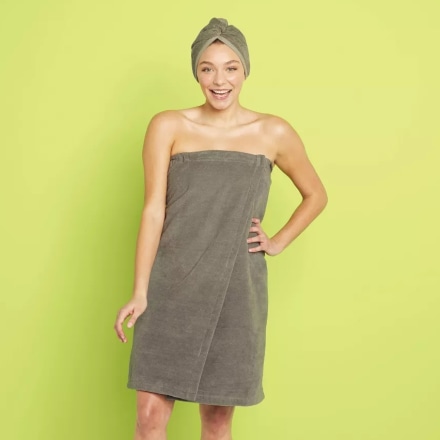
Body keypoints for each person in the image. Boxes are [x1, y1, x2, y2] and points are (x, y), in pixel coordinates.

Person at [114, 17, 328, 440]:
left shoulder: (273, 131)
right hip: (171, 286)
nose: (219, 80)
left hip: (235, 292)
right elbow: (153, 209)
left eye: (231, 67)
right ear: (196, 72)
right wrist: (140, 291)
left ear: (245, 70)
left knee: (216, 422)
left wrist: (277, 241)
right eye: (207, 68)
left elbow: (316, 194)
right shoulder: (168, 126)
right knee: (149, 418)